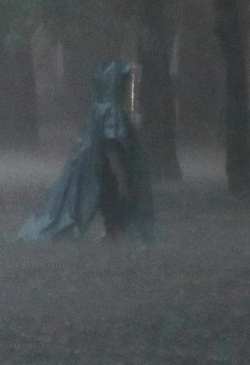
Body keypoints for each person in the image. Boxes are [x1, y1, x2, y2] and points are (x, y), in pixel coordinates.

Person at [19, 60, 155, 243]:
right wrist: (120, 175)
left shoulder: (100, 109)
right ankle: (115, 231)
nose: (126, 85)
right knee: (114, 196)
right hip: (108, 169)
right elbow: (111, 145)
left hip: (100, 167)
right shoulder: (111, 110)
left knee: (110, 198)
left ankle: (114, 230)